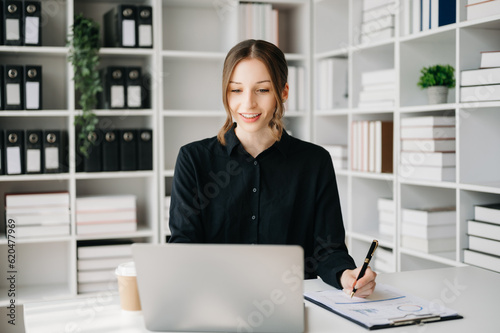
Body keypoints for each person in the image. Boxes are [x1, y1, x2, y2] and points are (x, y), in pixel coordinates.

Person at [169, 39, 376, 297]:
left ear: (284, 92)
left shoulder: (314, 161)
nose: (248, 104)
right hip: (217, 300)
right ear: (225, 93)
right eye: (236, 90)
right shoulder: (193, 159)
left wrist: (346, 275)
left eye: (262, 90)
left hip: (294, 301)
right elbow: (184, 246)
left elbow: (328, 249)